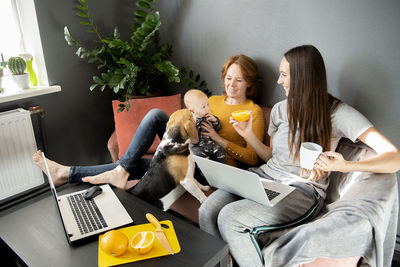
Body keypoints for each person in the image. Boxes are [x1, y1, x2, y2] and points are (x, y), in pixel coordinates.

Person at [198, 45, 400, 267]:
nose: (278, 80)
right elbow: (271, 157)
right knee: (208, 210)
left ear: (303, 78)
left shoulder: (337, 113)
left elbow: (394, 158)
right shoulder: (279, 110)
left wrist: (345, 166)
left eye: (284, 74)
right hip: (264, 177)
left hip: (302, 191)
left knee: (230, 217)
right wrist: (248, 135)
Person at [32, 54, 265, 190]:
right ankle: (120, 170)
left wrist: (218, 139)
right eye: (228, 78)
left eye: (239, 80)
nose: (231, 84)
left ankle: (66, 173)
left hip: (210, 165)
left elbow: (253, 159)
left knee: (145, 166)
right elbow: (186, 122)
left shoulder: (253, 111)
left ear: (249, 83)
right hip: (188, 147)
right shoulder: (211, 100)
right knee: (155, 115)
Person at [184, 89, 226, 163]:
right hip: (198, 146)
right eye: (203, 107)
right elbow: (185, 133)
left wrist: (215, 121)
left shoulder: (208, 117)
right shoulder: (189, 121)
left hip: (211, 144)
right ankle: (206, 170)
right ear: (192, 110)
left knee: (219, 148)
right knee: (196, 154)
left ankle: (223, 166)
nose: (207, 109)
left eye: (208, 105)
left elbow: (219, 127)